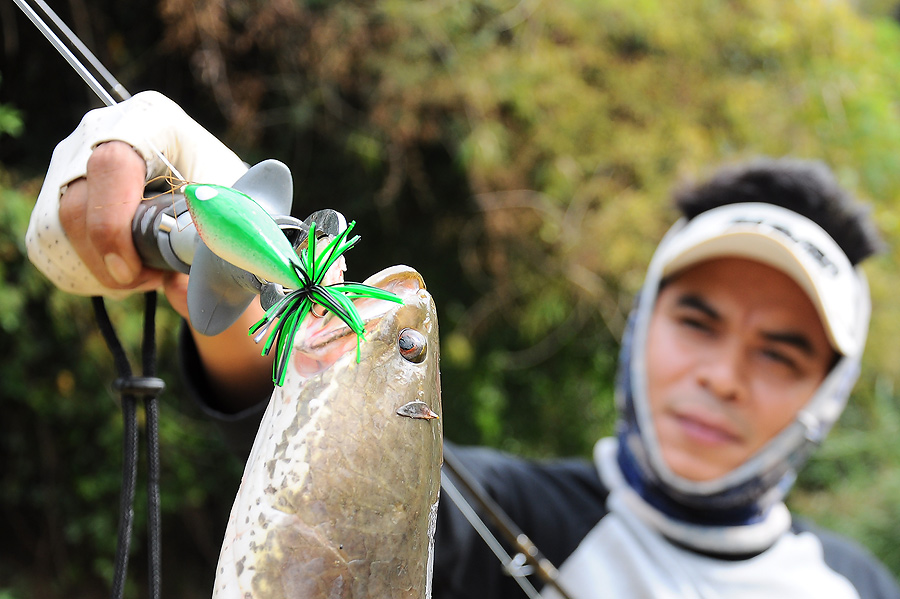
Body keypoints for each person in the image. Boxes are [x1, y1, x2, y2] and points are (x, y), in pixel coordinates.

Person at [26, 91, 900, 598]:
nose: (722, 376)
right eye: (697, 321)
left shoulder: (858, 586)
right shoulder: (480, 516)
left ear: (826, 395)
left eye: (781, 354)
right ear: (641, 330)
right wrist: (199, 232)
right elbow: (303, 426)